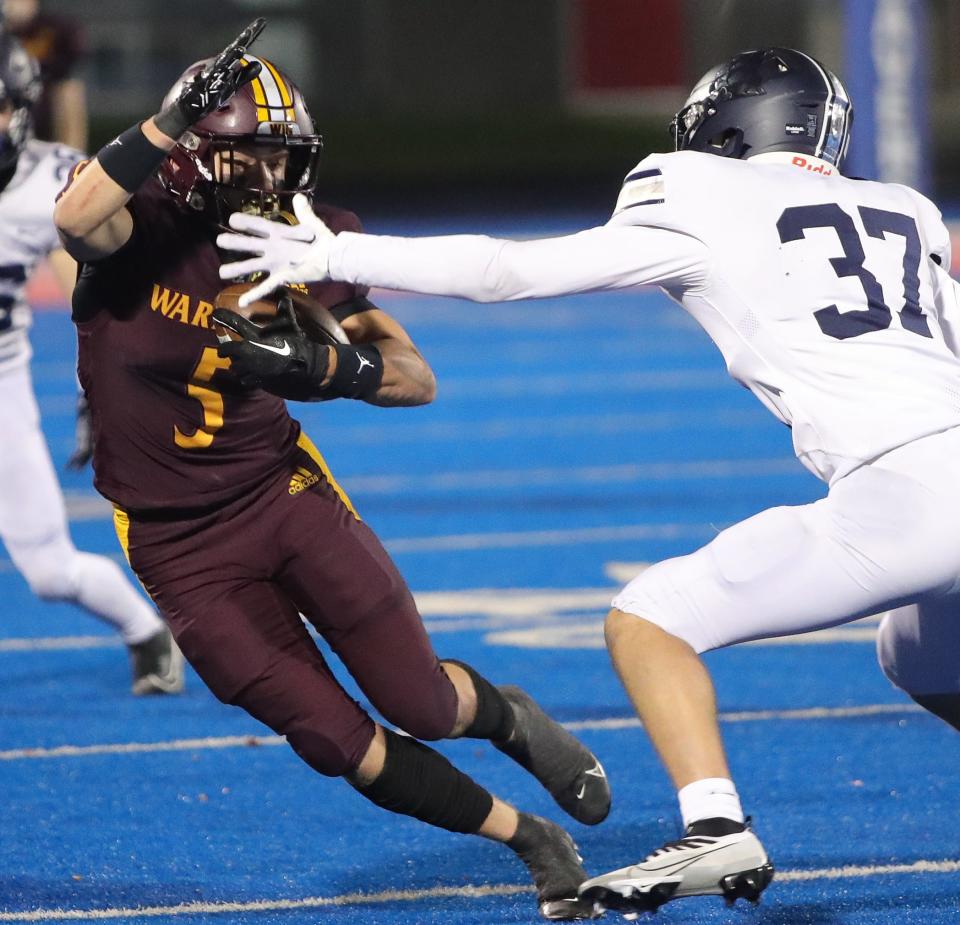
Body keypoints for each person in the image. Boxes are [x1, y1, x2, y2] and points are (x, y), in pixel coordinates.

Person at [218, 46, 960, 915]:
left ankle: (715, 825)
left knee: (650, 619)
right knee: (913, 650)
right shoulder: (905, 207)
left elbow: (510, 272)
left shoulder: (697, 188)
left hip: (904, 490)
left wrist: (336, 251)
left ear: (729, 123)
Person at [53, 20, 611, 921]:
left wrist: (322, 370)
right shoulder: (139, 223)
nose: (275, 179)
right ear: (192, 152)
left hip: (283, 491)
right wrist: (158, 128)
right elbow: (75, 215)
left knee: (419, 701)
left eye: (286, 156)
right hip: (177, 542)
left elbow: (413, 379)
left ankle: (508, 716)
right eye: (254, 158)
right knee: (333, 739)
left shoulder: (302, 237)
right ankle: (528, 837)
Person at [0, 30, 182, 696]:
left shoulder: (52, 182)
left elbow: (99, 294)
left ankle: (145, 630)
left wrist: (96, 394)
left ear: (21, 110)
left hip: (2, 383)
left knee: (49, 570)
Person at [3, 0, 86, 150]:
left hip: (43, 112)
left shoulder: (54, 30)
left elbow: (66, 87)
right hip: (8, 109)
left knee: (68, 90)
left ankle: (70, 161)